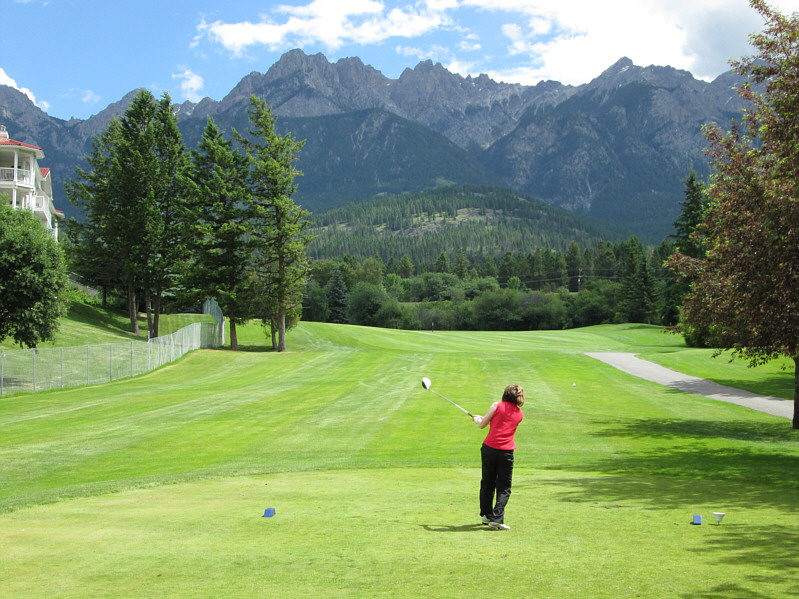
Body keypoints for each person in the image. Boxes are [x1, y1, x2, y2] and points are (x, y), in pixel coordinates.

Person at [472, 384, 525, 531]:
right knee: (504, 487)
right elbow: (501, 423)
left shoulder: (496, 405)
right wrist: (483, 420)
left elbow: (484, 425)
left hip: (489, 449)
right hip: (506, 453)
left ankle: (487, 515)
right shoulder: (520, 414)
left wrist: (478, 420)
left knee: (487, 482)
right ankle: (496, 519)